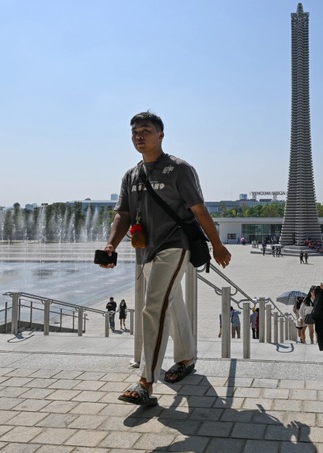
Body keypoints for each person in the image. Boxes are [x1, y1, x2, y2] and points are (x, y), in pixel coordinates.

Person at [99, 111, 231, 406]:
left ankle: (146, 380)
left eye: (145, 130)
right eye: (134, 132)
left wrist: (218, 244)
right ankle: (186, 357)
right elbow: (122, 214)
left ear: (161, 135)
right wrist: (111, 245)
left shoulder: (179, 169)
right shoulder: (131, 175)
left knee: (153, 306)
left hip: (176, 245)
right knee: (172, 304)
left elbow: (199, 210)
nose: (139, 136)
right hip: (146, 250)